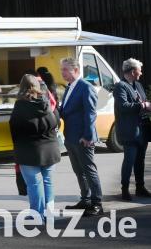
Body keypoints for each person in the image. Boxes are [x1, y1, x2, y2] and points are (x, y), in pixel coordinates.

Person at [10, 74, 61, 221]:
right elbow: (54, 123)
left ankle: (37, 215)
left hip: (28, 150)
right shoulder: (45, 102)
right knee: (47, 181)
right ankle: (49, 213)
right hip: (50, 149)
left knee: (34, 184)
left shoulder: (20, 105)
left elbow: (15, 129)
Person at [59, 57, 103, 217]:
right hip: (70, 136)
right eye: (62, 69)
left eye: (65, 69)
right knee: (79, 170)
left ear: (76, 70)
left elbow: (90, 113)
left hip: (83, 137)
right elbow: (66, 110)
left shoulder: (86, 87)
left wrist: (88, 135)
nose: (62, 73)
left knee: (89, 169)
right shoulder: (70, 86)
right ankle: (85, 200)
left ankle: (97, 203)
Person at [113, 58, 151, 201]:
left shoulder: (138, 85)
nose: (141, 73)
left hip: (142, 129)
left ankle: (140, 187)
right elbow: (124, 107)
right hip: (129, 131)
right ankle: (125, 189)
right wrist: (143, 106)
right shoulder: (120, 86)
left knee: (140, 160)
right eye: (139, 70)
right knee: (129, 160)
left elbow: (143, 100)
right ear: (133, 71)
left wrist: (146, 105)